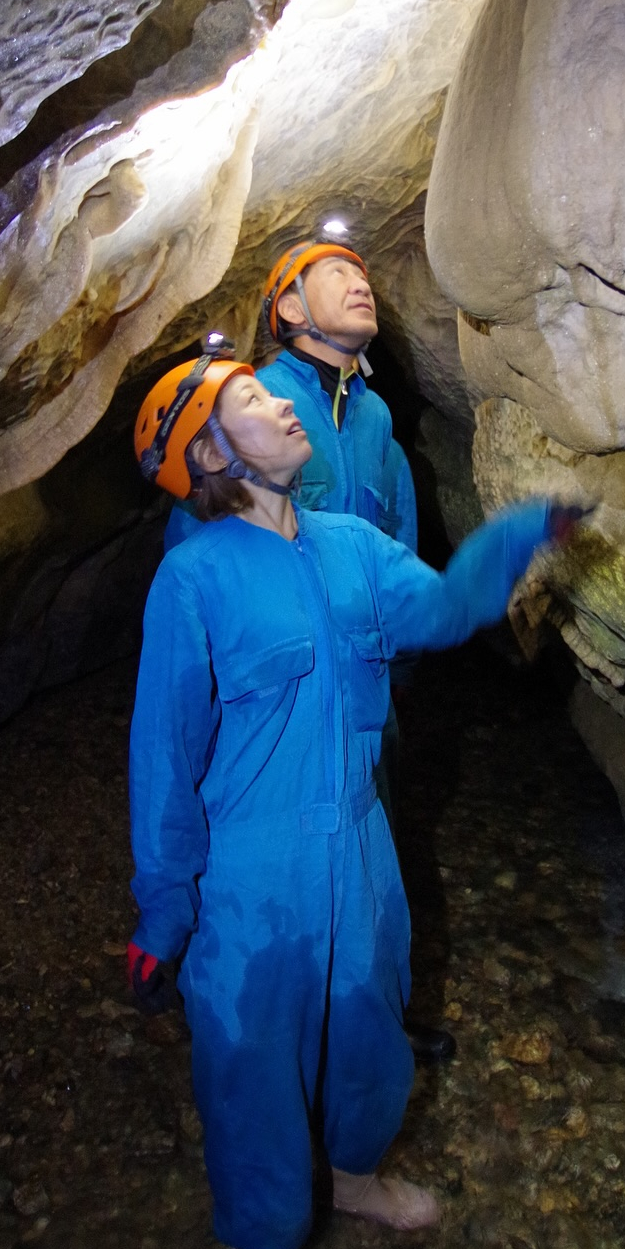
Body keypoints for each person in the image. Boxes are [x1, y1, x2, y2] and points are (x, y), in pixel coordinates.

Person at [127, 335, 580, 1249]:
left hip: (362, 846)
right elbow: (164, 755)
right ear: (209, 452)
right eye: (253, 401)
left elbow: (447, 608)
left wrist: (517, 535)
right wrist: (163, 911)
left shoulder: (353, 547)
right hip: (253, 873)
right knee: (253, 1058)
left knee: (371, 1020)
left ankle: (357, 1174)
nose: (284, 405)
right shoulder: (195, 578)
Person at [165, 238, 450, 1063]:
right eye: (336, 272)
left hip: (360, 686)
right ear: (289, 308)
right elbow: (201, 534)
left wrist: (398, 656)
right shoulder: (259, 407)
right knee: (278, 872)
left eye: (363, 270)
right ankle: (267, 1033)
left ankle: (369, 1025)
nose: (361, 281)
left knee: (367, 858)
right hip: (277, 694)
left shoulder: (375, 417)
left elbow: (396, 524)